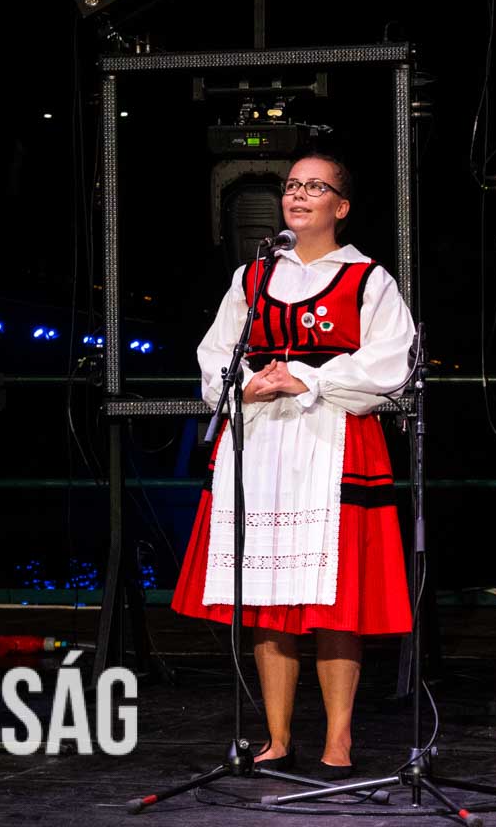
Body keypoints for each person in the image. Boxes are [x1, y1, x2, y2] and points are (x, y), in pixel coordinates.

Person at [172, 153, 413, 781]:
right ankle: (277, 738)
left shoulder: (368, 279)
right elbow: (216, 353)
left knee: (333, 600)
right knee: (268, 597)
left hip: (332, 439)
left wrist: (308, 378)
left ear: (341, 206)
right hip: (261, 441)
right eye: (292, 185)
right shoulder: (252, 276)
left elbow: (389, 361)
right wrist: (247, 385)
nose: (298, 195)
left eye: (314, 186)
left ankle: (339, 739)